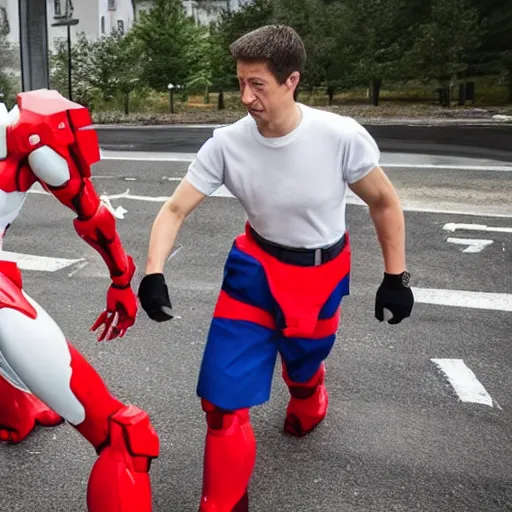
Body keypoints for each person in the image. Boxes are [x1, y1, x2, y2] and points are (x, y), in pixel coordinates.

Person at [138, 24, 414, 512]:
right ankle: (222, 502)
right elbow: (175, 209)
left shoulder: (339, 136)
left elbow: (384, 203)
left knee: (303, 366)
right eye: (240, 83)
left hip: (320, 274)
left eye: (258, 84)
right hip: (254, 271)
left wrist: (396, 278)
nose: (245, 97)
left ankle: (309, 389)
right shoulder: (226, 144)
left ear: (292, 81)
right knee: (221, 403)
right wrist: (153, 271)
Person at [0, 89, 159, 511]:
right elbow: (89, 211)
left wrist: (122, 277)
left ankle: (15, 408)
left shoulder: (23, 132)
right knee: (121, 436)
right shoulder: (24, 132)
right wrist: (121, 277)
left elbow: (90, 212)